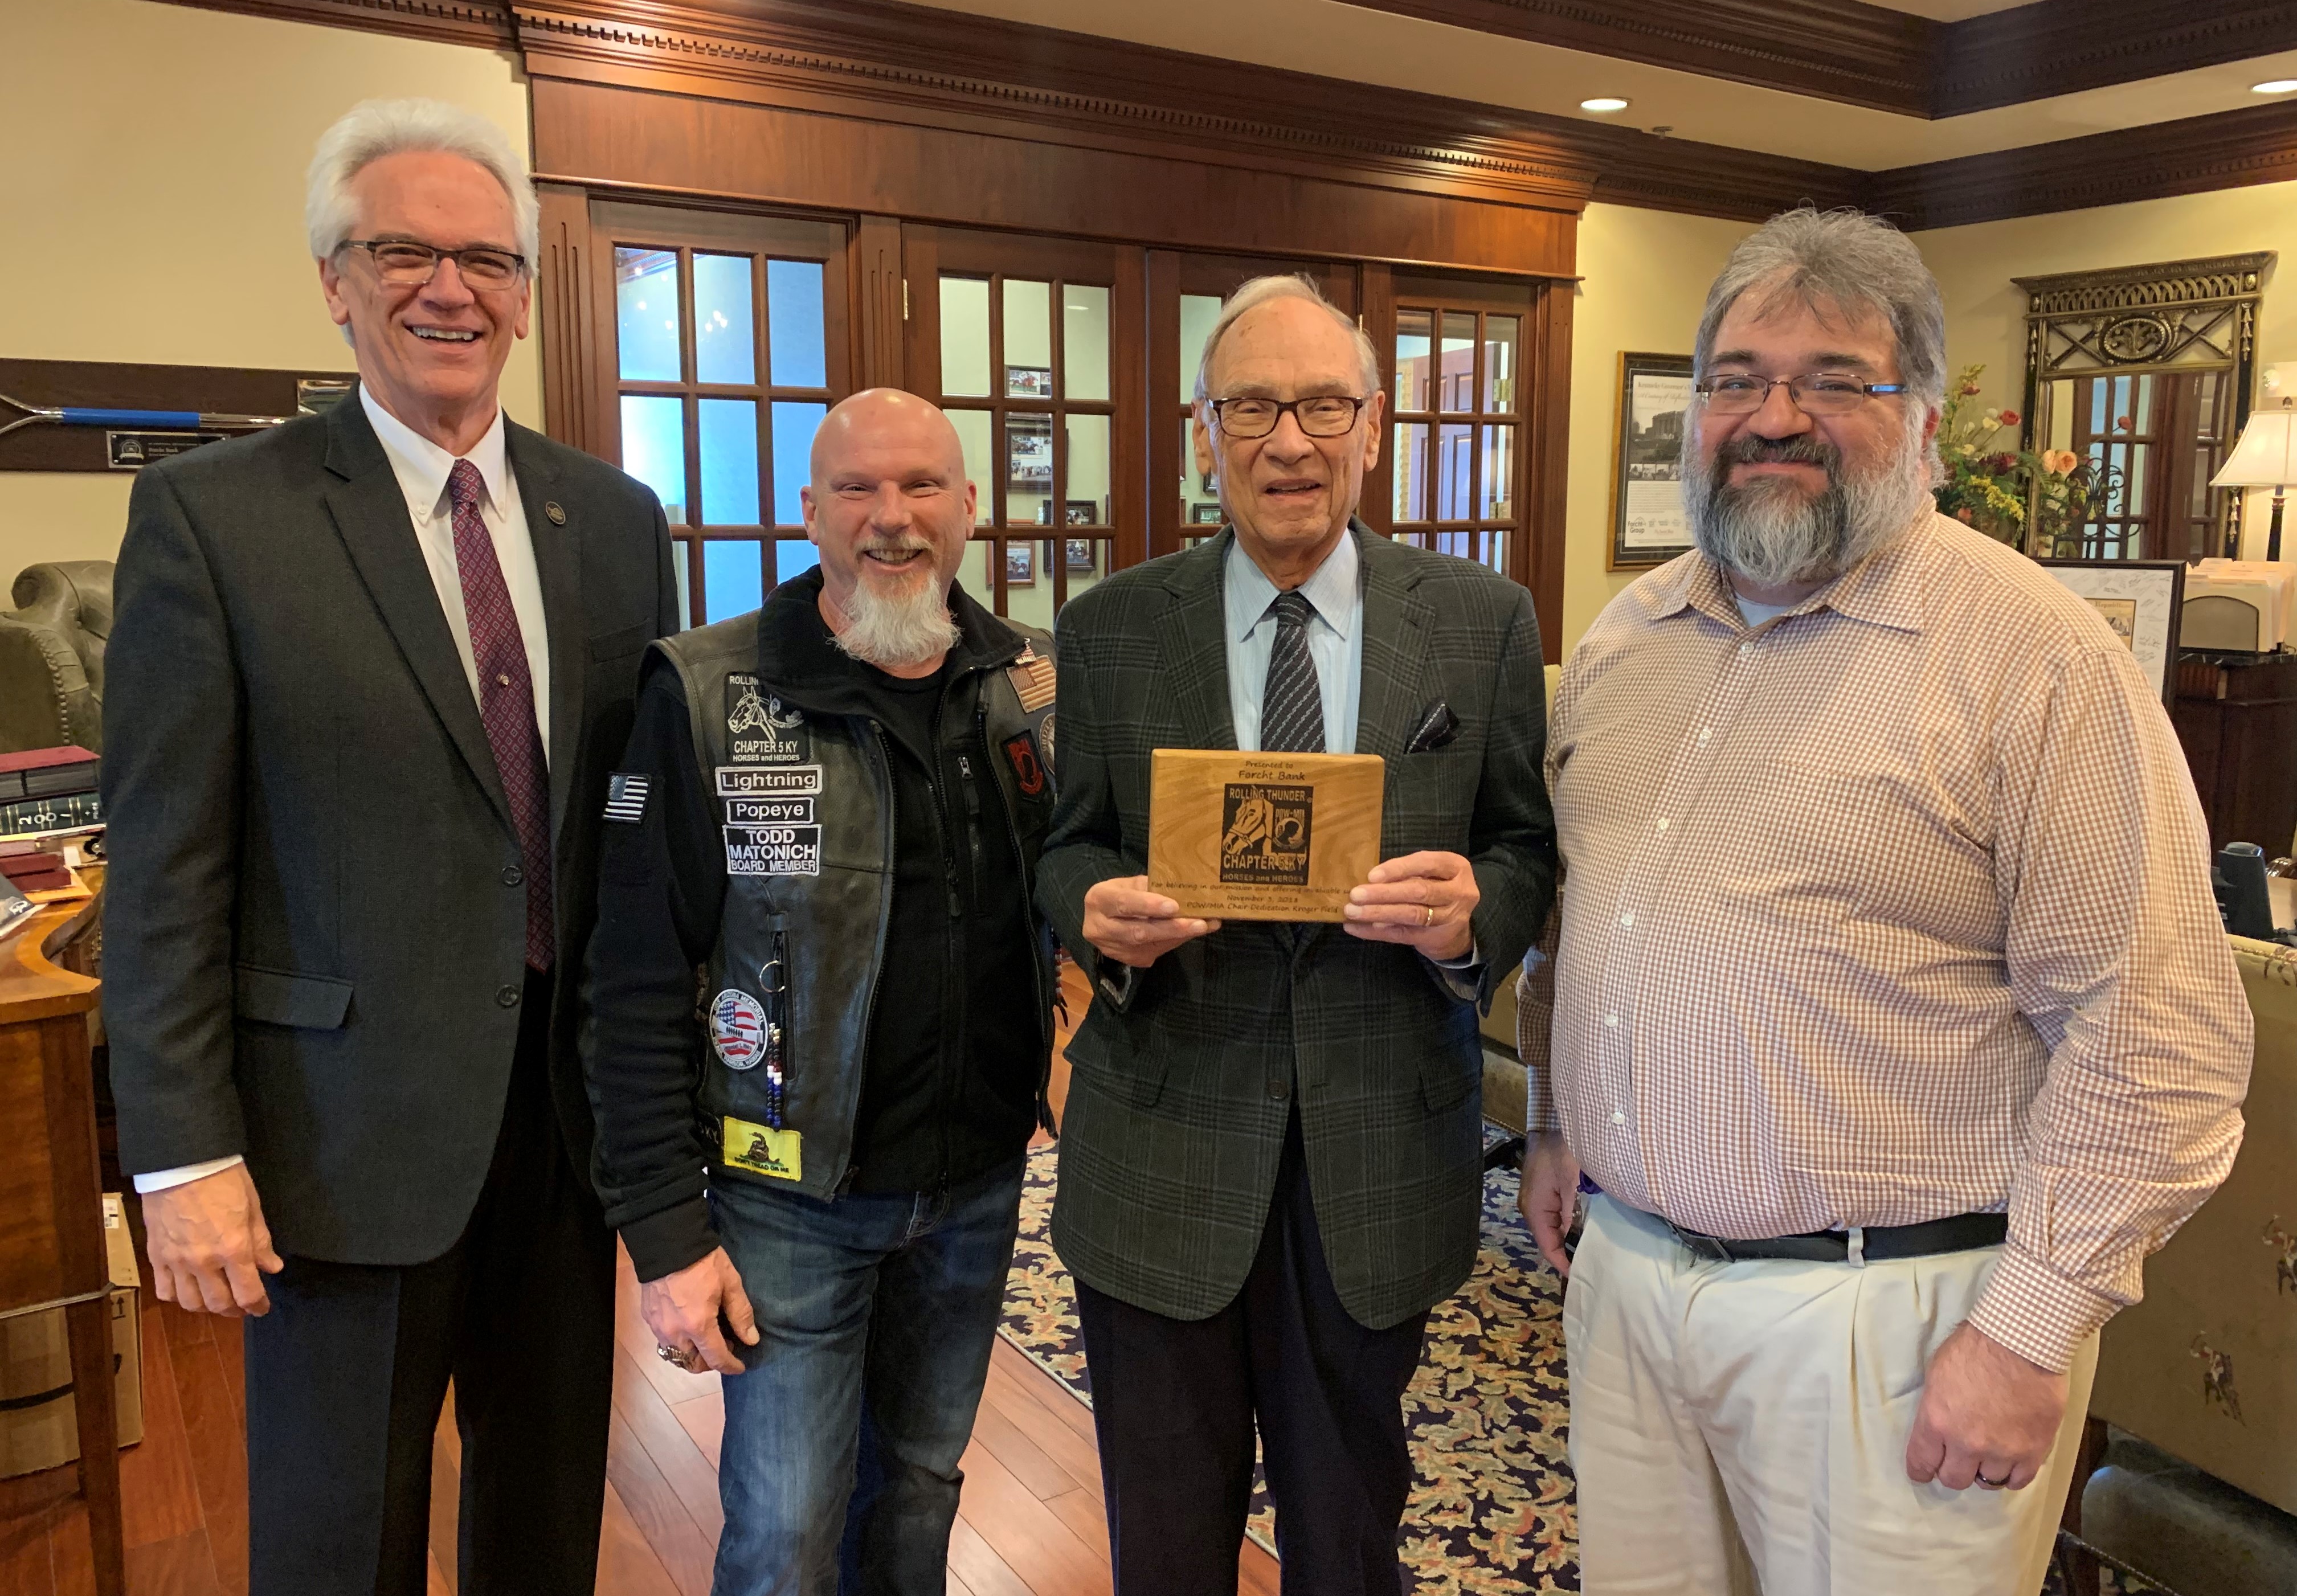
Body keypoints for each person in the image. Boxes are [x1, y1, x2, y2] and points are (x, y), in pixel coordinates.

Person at [1519, 207, 2254, 1595]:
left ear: (1917, 419)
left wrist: (2028, 1331)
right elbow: (1589, 913)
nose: (1773, 415)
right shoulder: (1631, 637)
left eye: (1832, 380)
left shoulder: (2033, 658)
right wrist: (1556, 1120)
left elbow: (2156, 1034)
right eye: (1737, 377)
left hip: (1897, 1323)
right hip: (1628, 1285)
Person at [101, 100, 676, 1596]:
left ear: (526, 293)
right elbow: (167, 867)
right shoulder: (214, 522)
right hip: (337, 1141)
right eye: (404, 249)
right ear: (334, 280)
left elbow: (635, 829)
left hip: (565, 1134)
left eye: (487, 257)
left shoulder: (614, 521)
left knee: (546, 1526)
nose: (451, 287)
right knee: (338, 1541)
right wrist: (178, 1154)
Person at [1036, 275, 1557, 1593]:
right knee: (1164, 1541)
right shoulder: (1108, 630)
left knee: (1348, 1534)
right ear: (1203, 429)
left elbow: (1524, 845)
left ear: (1373, 427)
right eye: (1253, 406)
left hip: (1376, 1146)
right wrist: (1096, 916)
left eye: (1324, 405)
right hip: (1162, 1140)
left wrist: (1468, 920)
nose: (1289, 441)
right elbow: (1069, 845)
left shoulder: (1480, 620)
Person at [583, 389, 1061, 1594]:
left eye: (920, 489)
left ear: (968, 511)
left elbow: (1075, 901)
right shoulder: (702, 693)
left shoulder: (1036, 690)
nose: (890, 519)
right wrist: (662, 1234)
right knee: (784, 1533)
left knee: (918, 1497)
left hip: (972, 1187)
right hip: (785, 1203)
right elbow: (634, 977)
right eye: (858, 489)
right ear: (810, 510)